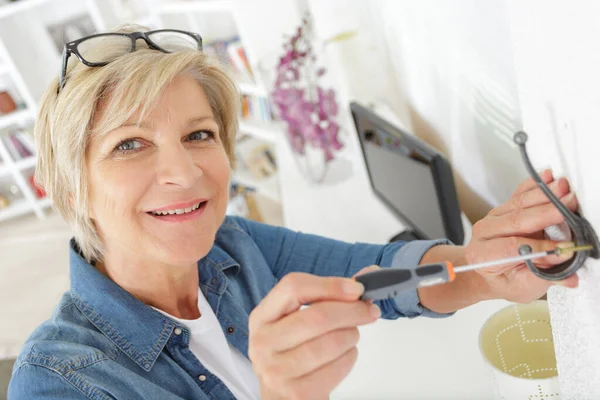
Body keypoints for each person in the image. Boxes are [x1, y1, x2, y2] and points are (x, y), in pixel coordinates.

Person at [8, 26, 580, 400]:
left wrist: (480, 267)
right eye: (129, 144)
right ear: (68, 189)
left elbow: (383, 275)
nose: (183, 173)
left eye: (199, 134)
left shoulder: (234, 247)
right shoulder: (58, 380)